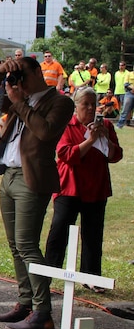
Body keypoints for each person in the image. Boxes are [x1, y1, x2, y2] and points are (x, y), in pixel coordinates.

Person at [0, 55, 74, 329]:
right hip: (9, 176)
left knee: (27, 245)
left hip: (31, 179)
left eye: (20, 73)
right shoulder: (19, 96)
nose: (17, 79)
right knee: (15, 245)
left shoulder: (60, 101)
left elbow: (45, 132)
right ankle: (25, 303)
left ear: (37, 71)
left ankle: (43, 312)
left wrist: (19, 100)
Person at [45, 87, 122, 291]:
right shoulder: (66, 125)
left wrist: (105, 138)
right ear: (75, 106)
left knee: (93, 235)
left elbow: (115, 156)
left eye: (92, 104)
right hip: (69, 187)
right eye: (84, 104)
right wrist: (90, 140)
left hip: (96, 187)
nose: (89, 108)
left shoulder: (104, 125)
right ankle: (48, 276)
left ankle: (91, 276)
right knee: (59, 231)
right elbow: (66, 155)